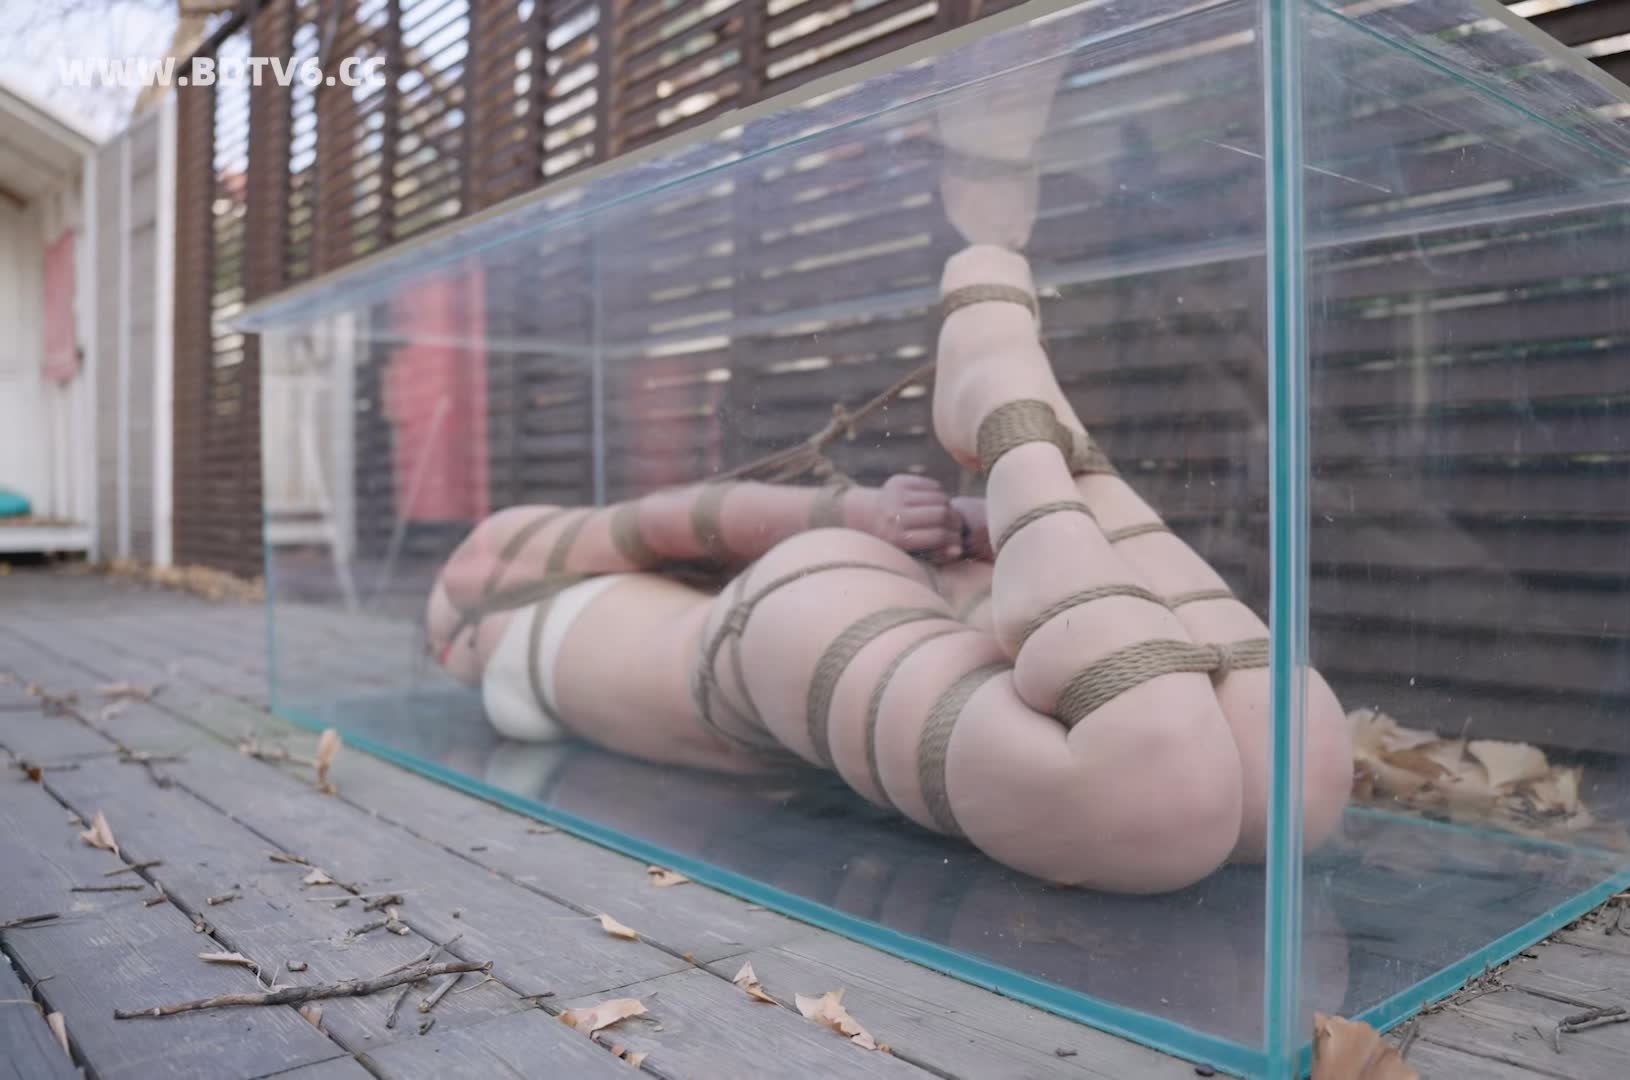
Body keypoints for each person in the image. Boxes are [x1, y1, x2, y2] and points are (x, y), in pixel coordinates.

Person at [424, 242, 1354, 895]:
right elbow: (678, 528)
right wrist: (887, 525)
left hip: (761, 642)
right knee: (1291, 785)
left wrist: (851, 514)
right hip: (808, 632)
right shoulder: (508, 595)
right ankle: (1028, 423)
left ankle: (1018, 425)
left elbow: (674, 519)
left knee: (1146, 793)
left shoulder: (477, 581)